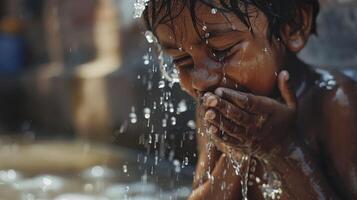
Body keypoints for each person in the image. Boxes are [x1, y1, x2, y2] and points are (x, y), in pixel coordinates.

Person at [143, 0, 357, 199]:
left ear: (293, 25)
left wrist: (282, 148)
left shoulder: (337, 105)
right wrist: (238, 149)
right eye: (182, 61)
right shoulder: (215, 106)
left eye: (222, 51)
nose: (200, 80)